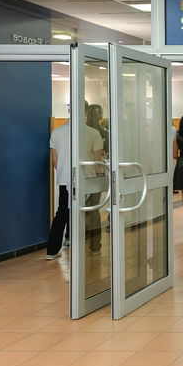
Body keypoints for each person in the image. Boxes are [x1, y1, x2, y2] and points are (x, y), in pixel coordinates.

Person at [47, 102, 104, 259]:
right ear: (85, 112)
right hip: (89, 179)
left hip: (66, 179)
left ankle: (51, 251)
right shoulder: (93, 133)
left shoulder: (57, 132)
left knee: (63, 211)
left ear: (69, 110)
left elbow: (55, 160)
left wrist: (65, 173)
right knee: (93, 212)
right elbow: (98, 161)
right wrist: (101, 180)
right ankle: (94, 247)